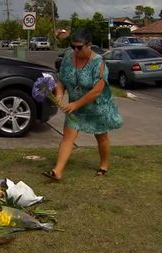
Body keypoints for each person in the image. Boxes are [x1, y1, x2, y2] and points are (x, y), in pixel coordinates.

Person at [43, 27, 122, 181]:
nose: (76, 50)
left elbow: (97, 91)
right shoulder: (68, 57)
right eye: (73, 47)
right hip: (75, 108)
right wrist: (59, 94)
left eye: (79, 47)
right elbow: (61, 79)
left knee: (101, 136)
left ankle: (104, 165)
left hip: (96, 106)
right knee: (68, 136)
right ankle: (57, 171)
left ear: (89, 45)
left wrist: (76, 104)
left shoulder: (98, 63)